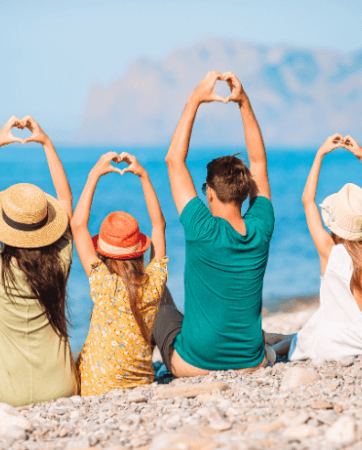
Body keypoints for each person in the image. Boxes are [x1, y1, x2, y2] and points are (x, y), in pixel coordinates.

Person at [152, 71, 275, 377]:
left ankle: (133, 368)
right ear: (246, 192)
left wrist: (195, 99)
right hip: (250, 362)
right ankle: (273, 347)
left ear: (208, 192)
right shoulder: (261, 227)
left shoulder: (201, 228)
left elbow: (174, 161)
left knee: (158, 299)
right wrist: (243, 102)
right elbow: (258, 163)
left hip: (193, 365)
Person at [71, 152, 168, 394]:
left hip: (94, 387)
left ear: (102, 252)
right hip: (142, 383)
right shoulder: (154, 283)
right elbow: (159, 226)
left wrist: (95, 173)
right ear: (139, 251)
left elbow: (78, 225)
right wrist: (144, 176)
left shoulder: (104, 284)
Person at [0, 115, 77, 407]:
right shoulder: (60, 259)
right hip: (61, 386)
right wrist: (46, 142)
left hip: (8, 393)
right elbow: (66, 202)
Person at [273, 134, 362, 362]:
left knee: (305, 335)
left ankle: (268, 347)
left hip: (331, 343)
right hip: (358, 338)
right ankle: (274, 339)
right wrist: (361, 156)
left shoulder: (330, 252)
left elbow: (307, 200)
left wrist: (320, 154)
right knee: (306, 330)